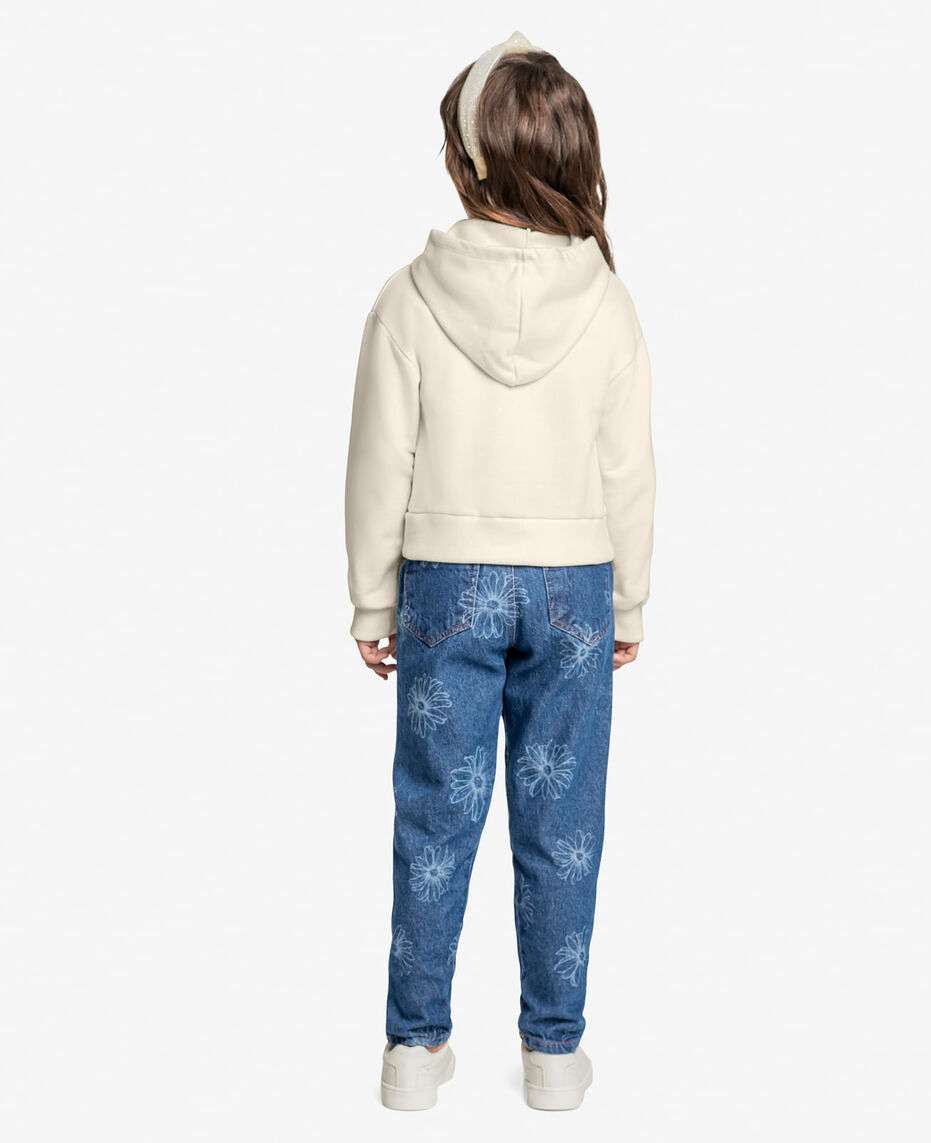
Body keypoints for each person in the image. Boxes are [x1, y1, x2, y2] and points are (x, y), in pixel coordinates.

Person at [345, 32, 655, 1111]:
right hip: (573, 583)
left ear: (468, 162)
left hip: (447, 581)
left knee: (435, 817)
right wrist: (628, 598)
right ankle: (554, 1056)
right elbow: (628, 468)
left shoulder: (410, 297)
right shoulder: (606, 302)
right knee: (563, 823)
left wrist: (373, 597)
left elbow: (378, 459)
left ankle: (413, 1051)